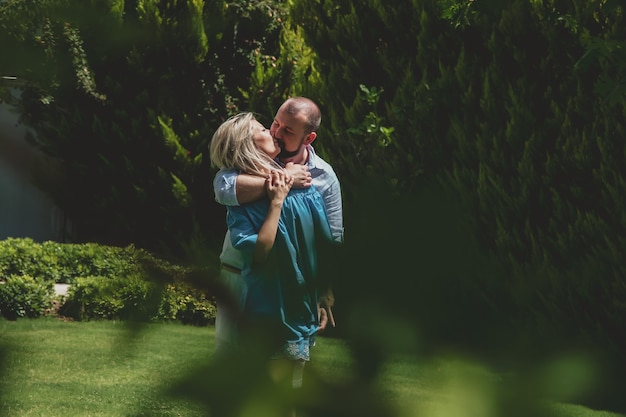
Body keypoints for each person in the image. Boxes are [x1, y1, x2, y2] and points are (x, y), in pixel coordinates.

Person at [209, 112, 334, 408]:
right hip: (246, 287)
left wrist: (322, 291)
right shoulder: (235, 187)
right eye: (266, 127)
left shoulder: (311, 182)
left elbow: (322, 241)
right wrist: (282, 184)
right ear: (248, 145)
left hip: (289, 296)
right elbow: (259, 246)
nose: (274, 131)